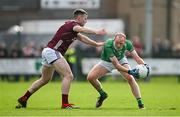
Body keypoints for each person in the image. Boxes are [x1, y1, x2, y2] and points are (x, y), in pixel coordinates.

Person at [16, 9, 106, 109]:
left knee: (44, 79)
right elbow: (81, 30)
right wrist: (96, 32)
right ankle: (65, 104)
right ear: (79, 18)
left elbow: (83, 38)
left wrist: (97, 44)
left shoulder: (73, 28)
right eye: (85, 19)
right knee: (69, 76)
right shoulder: (73, 25)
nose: (86, 21)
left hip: (48, 51)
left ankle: (23, 98)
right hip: (53, 52)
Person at [87, 33, 149, 109]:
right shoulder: (108, 45)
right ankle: (102, 94)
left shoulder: (128, 44)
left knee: (130, 78)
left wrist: (145, 65)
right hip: (107, 62)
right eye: (117, 43)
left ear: (124, 42)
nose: (119, 45)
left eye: (121, 43)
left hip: (121, 60)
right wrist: (130, 71)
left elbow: (137, 58)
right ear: (114, 40)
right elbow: (117, 65)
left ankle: (140, 104)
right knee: (90, 77)